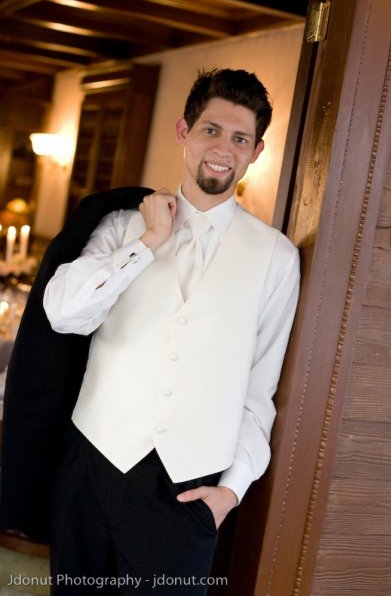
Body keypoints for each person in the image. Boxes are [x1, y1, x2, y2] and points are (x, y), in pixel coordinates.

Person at [0, 68, 299, 594]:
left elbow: (260, 391)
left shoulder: (277, 257)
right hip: (89, 469)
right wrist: (148, 242)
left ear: (255, 152)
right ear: (184, 131)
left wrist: (231, 490)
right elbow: (64, 312)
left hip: (186, 492)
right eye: (211, 130)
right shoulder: (119, 225)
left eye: (240, 138)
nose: (223, 149)